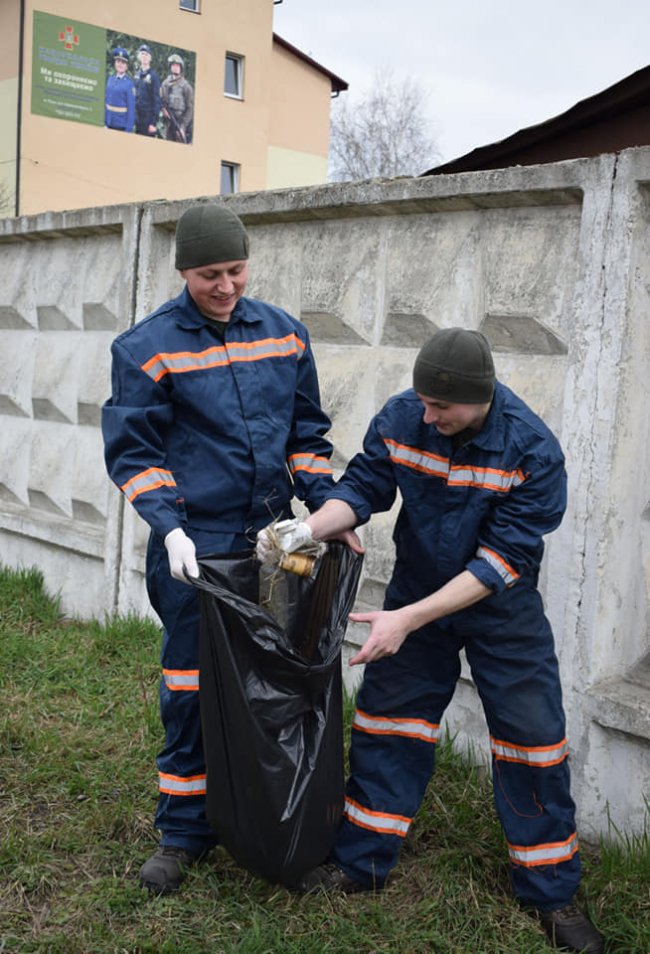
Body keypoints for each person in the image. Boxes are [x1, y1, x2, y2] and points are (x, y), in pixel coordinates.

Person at [257, 328, 604, 954]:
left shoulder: (532, 450)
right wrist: (302, 530)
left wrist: (408, 619)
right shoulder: (404, 418)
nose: (428, 415)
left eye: (442, 407)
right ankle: (361, 862)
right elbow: (363, 489)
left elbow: (503, 562)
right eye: (422, 401)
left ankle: (550, 892)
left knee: (533, 741)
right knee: (390, 723)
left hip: (500, 608)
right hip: (417, 588)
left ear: (482, 398)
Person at [101, 203, 338, 895]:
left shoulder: (285, 335)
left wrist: (325, 508)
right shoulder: (145, 347)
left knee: (279, 684)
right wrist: (169, 527)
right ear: (184, 271)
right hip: (194, 548)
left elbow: (307, 435)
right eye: (211, 274)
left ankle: (274, 816)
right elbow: (135, 453)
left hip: (273, 542)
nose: (227, 285)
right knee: (190, 686)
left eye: (236, 270)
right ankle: (184, 830)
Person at [160, 54, 193, 143]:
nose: (175, 67)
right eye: (173, 65)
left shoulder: (186, 87)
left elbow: (189, 109)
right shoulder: (165, 84)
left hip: (179, 122)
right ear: (170, 67)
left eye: (178, 65)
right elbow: (160, 100)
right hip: (167, 123)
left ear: (181, 68)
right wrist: (163, 109)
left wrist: (183, 127)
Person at [105, 47, 135, 133]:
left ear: (126, 66)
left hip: (121, 125)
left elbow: (131, 110)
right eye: (118, 62)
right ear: (115, 63)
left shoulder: (129, 84)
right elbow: (106, 101)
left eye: (123, 63)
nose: (120, 65)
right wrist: (105, 122)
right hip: (109, 123)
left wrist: (128, 130)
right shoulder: (110, 79)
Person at [134, 44, 161, 137]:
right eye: (142, 54)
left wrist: (153, 123)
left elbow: (157, 101)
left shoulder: (154, 76)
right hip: (137, 119)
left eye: (146, 54)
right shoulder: (136, 75)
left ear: (150, 58)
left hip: (148, 119)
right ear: (139, 56)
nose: (144, 56)